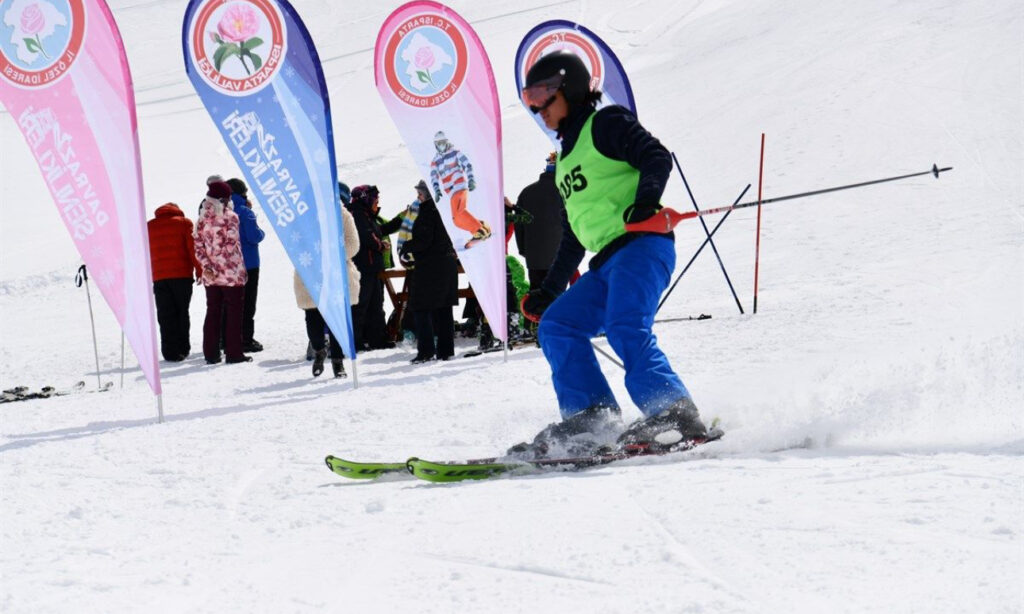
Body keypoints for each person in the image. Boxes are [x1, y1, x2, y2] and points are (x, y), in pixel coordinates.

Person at [513, 51, 708, 458]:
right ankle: (592, 417)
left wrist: (645, 201)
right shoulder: (565, 156)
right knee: (557, 325)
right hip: (606, 260)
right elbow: (574, 234)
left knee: (625, 326)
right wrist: (548, 291)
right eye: (529, 98)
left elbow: (656, 156)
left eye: (543, 94)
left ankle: (675, 413)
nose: (537, 107)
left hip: (641, 246)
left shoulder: (606, 122)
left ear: (570, 87)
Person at [294, 198, 359, 378]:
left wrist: (331, 257)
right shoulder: (302, 213)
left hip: (336, 276)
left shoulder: (343, 215)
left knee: (337, 322)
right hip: (310, 274)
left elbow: (353, 244)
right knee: (313, 320)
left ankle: (338, 362)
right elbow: (295, 242)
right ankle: (319, 349)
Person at [398, 180, 458, 363]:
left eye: (421, 193)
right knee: (444, 309)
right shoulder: (447, 210)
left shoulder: (427, 212)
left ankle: (426, 351)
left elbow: (424, 240)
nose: (418, 197)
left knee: (420, 307)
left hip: (430, 268)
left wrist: (406, 247)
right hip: (447, 265)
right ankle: (446, 351)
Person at [194, 181, 251, 364]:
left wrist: (208, 268)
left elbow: (198, 247)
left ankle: (210, 354)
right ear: (223, 199)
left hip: (211, 276)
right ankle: (234, 353)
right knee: (234, 313)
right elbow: (230, 244)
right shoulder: (230, 217)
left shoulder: (201, 219)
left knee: (213, 312)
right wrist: (219, 267)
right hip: (231, 273)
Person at [147, 203, 203, 361]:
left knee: (165, 314)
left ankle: (169, 351)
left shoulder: (149, 226)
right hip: (182, 276)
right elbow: (193, 249)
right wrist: (199, 270)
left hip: (159, 277)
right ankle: (182, 348)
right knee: (181, 312)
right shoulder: (184, 223)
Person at [345, 185, 394, 351]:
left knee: (376, 304)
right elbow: (367, 236)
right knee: (361, 305)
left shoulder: (366, 214)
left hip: (372, 267)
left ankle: (377, 339)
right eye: (375, 200)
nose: (377, 204)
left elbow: (378, 231)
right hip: (363, 267)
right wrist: (381, 245)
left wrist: (402, 218)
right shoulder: (357, 214)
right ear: (367, 199)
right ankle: (356, 341)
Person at [429, 131, 491, 249]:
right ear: (435, 145)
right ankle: (482, 227)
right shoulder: (435, 161)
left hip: (460, 186)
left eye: (442, 142)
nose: (441, 145)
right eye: (438, 143)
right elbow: (433, 176)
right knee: (456, 220)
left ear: (446, 142)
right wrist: (436, 190)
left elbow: (467, 165)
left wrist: (471, 179)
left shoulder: (455, 153)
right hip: (451, 192)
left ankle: (478, 231)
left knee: (460, 212)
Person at [514, 153, 565, 290]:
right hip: (560, 256)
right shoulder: (565, 192)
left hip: (534, 257)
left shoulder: (527, 192)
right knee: (556, 299)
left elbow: (519, 225)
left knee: (536, 297)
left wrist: (523, 250)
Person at [226, 178, 266, 353]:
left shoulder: (223, 212)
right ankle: (246, 339)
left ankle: (228, 338)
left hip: (229, 264)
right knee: (248, 302)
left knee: (232, 303)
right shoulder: (245, 212)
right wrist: (262, 232)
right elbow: (253, 236)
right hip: (249, 263)